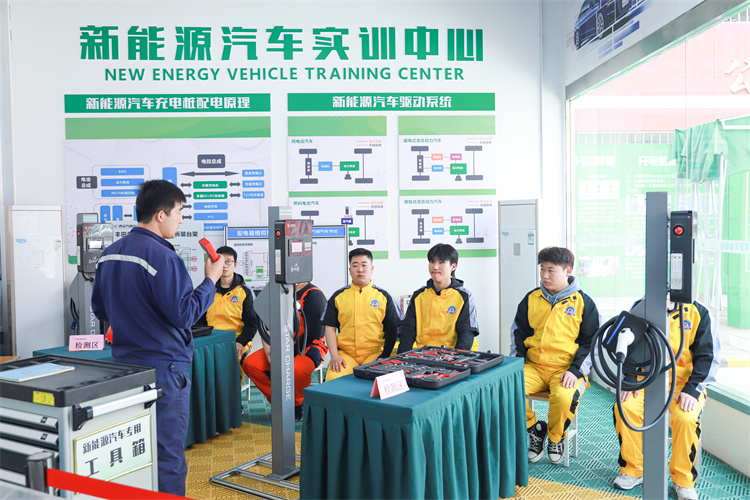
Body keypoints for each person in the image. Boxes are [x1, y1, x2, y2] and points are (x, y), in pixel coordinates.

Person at [91, 180, 224, 496]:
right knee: (167, 456)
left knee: (135, 449)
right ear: (161, 215)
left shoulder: (108, 255)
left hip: (125, 366)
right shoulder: (163, 257)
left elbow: (100, 309)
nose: (181, 219)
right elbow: (184, 314)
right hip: (164, 368)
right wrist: (210, 280)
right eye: (179, 212)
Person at [611, 300, 720, 500]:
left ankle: (683, 481)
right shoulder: (643, 306)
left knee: (685, 418)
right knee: (624, 407)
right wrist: (631, 379)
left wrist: (693, 389)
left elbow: (708, 356)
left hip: (683, 384)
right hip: (647, 379)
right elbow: (630, 347)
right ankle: (633, 470)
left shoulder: (699, 312)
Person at [510, 246, 600, 465]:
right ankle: (534, 429)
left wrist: (575, 371)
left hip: (566, 369)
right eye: (542, 269)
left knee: (563, 397)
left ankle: (556, 438)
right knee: (507, 388)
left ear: (567, 271)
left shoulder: (584, 303)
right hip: (534, 366)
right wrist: (517, 364)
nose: (545, 275)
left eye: (551, 270)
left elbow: (592, 343)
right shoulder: (531, 298)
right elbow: (518, 334)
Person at [242, 282, 327, 421]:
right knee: (251, 364)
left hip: (309, 346)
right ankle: (280, 400)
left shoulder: (313, 294)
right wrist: (269, 348)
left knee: (296, 369)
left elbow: (314, 333)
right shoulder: (278, 292)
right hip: (281, 344)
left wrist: (286, 354)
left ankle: (297, 404)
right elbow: (266, 323)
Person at [323, 248, 401, 381]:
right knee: (333, 379)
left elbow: (392, 329)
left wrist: (384, 355)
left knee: (379, 381)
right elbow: (330, 328)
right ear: (350, 270)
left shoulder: (383, 297)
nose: (360, 270)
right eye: (355, 266)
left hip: (374, 355)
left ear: (372, 269)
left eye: (364, 265)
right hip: (346, 355)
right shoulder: (338, 296)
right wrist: (335, 356)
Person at [398, 243, 478, 353]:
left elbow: (466, 334)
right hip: (422, 357)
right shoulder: (418, 296)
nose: (435, 267)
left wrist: (455, 359)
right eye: (432, 262)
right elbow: (407, 332)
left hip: (451, 358)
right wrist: (402, 360)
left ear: (453, 266)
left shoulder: (464, 296)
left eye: (441, 262)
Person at [198, 246, 258, 367]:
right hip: (211, 342)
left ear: (235, 265)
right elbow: (200, 321)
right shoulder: (208, 290)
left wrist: (241, 342)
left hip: (236, 343)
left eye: (228, 261)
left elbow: (252, 323)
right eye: (221, 262)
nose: (224, 265)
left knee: (233, 370)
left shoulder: (245, 292)